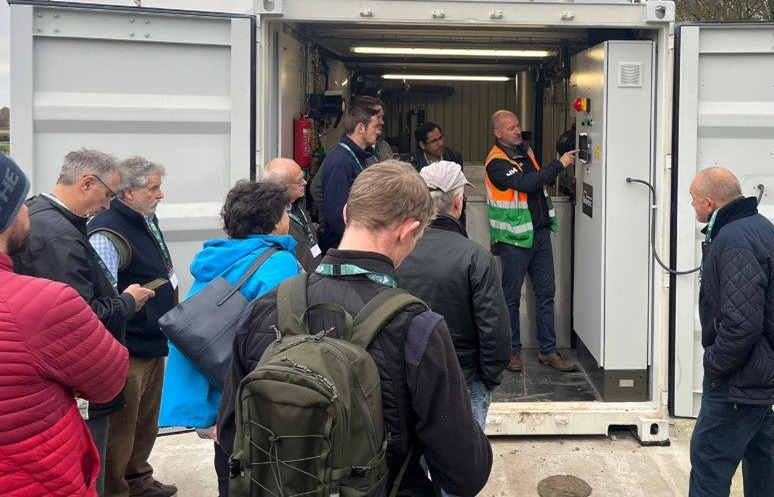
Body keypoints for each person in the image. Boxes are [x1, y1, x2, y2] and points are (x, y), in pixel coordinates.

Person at [218, 161, 493, 496]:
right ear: (407, 231)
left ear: (347, 214)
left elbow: (231, 437)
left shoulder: (265, 309)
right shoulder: (418, 329)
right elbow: (465, 474)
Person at [14, 149, 155, 496]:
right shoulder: (57, 235)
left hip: (67, 379)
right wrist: (126, 302)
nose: (108, 205)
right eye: (107, 194)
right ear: (87, 182)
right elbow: (78, 317)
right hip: (78, 383)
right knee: (91, 469)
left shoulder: (49, 219)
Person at [158, 180, 301, 497]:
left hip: (214, 390)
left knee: (229, 476)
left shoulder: (216, 256)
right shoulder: (278, 262)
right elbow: (277, 335)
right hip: (249, 395)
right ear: (275, 220)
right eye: (286, 212)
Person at [687, 167, 774, 497]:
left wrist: (715, 366)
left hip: (739, 377)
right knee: (759, 458)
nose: (692, 207)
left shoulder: (733, 241)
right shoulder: (759, 227)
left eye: (693, 200)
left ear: (709, 202)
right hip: (759, 372)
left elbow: (742, 324)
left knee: (709, 459)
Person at [396, 160, 511, 434]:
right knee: (459, 472)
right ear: (458, 202)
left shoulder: (395, 251)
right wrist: (487, 379)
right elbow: (494, 329)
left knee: (408, 471)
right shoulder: (475, 257)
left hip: (404, 378)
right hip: (463, 379)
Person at [87, 157, 178, 497]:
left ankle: (139, 479)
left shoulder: (143, 219)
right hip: (128, 348)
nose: (161, 194)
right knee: (121, 430)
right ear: (128, 191)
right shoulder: (107, 231)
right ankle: (116, 490)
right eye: (153, 188)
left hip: (151, 341)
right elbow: (105, 298)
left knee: (145, 423)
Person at [485, 109, 576, 373]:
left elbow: (537, 182)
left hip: (539, 234)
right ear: (497, 133)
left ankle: (548, 351)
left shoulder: (526, 152)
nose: (517, 131)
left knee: (546, 293)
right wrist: (558, 164)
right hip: (514, 239)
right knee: (510, 297)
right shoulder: (496, 162)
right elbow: (526, 183)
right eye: (511, 128)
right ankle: (512, 351)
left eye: (517, 126)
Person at [318, 102, 383, 250]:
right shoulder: (341, 162)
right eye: (374, 127)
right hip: (347, 248)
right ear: (360, 128)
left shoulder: (357, 157)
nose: (378, 132)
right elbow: (336, 216)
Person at [264, 157, 319, 271]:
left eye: (303, 177)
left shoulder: (297, 204)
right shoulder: (271, 218)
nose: (305, 182)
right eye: (299, 181)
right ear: (281, 186)